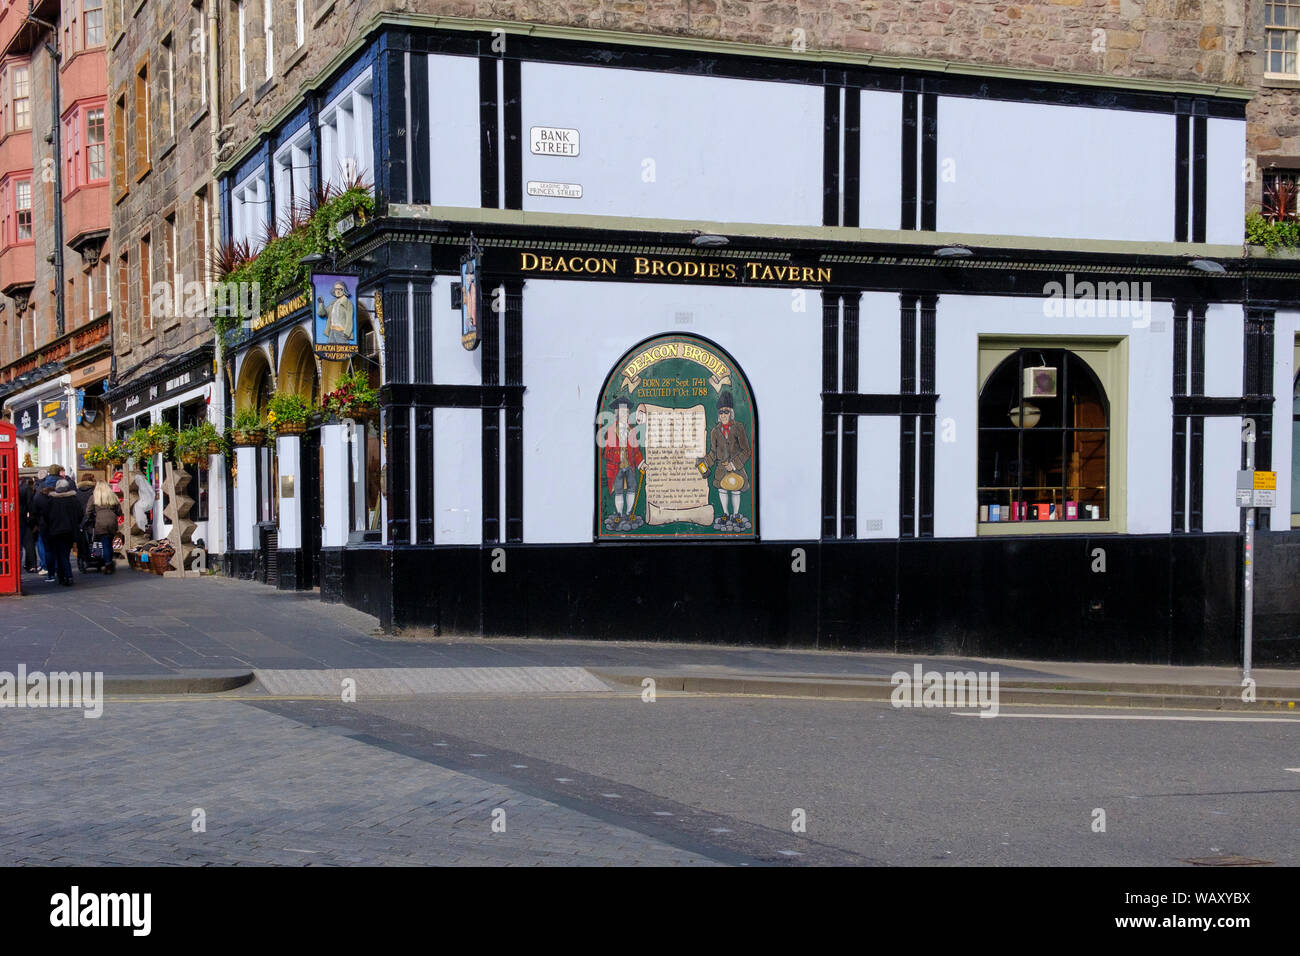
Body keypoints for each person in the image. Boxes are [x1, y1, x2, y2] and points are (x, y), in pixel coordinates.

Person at [697, 391, 752, 532]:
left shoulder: (738, 427)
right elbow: (713, 453)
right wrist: (704, 463)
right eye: (721, 412)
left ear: (731, 413)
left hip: (737, 469)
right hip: (721, 469)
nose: (723, 415)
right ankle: (726, 514)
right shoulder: (715, 431)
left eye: (726, 412)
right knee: (722, 489)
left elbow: (747, 451)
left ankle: (735, 515)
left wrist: (733, 465)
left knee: (736, 490)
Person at [42, 476, 83, 586]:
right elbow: (80, 514)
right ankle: (64, 575)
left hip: (56, 531)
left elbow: (45, 516)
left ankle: (66, 575)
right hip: (70, 531)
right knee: (64, 553)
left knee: (60, 554)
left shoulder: (51, 500)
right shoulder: (73, 499)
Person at [85, 481, 122, 575]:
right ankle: (109, 561)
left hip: (100, 521)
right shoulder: (113, 496)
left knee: (105, 544)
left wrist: (92, 516)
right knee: (109, 542)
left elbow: (88, 511)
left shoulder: (94, 497)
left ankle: (108, 564)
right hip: (112, 521)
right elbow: (119, 511)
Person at [75, 473, 95, 573]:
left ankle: (81, 560)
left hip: (80, 521)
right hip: (91, 519)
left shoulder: (77, 492)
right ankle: (92, 559)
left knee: (81, 543)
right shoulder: (93, 491)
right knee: (92, 540)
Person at [18, 477, 37, 572]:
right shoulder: (27, 489)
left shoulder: (17, 487)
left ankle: (15, 566)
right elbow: (31, 506)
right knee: (29, 543)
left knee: (18, 545)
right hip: (23, 519)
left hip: (13, 519)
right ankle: (31, 564)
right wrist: (32, 522)